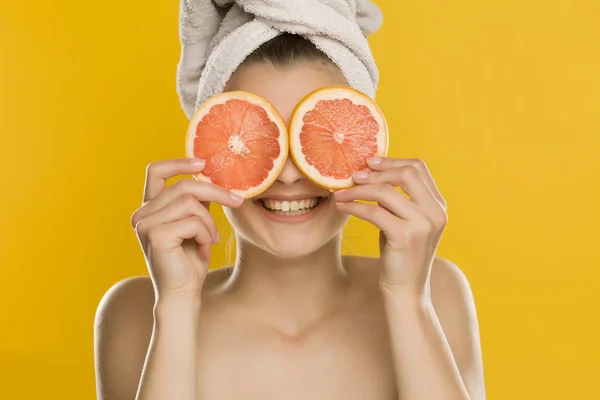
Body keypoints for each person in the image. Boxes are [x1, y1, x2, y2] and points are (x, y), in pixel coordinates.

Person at [94, 2, 485, 400]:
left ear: (364, 143)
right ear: (210, 151)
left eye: (316, 135)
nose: (288, 174)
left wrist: (408, 301)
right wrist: (175, 307)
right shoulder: (134, 314)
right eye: (253, 139)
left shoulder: (437, 293)